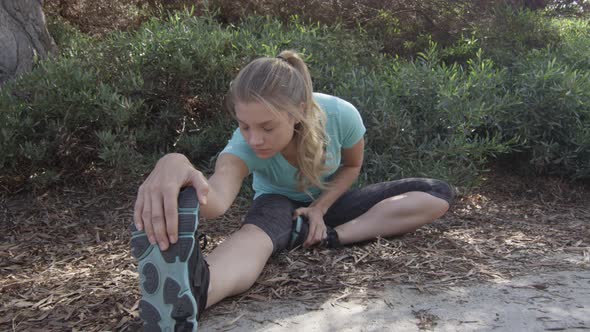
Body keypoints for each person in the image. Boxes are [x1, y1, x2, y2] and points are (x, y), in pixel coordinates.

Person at [130, 50, 454, 331]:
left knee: (435, 194)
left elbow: (352, 167)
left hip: (330, 203)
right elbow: (215, 200)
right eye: (245, 126)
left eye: (267, 127)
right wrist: (175, 163)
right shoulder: (242, 145)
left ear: (297, 111)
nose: (254, 139)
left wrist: (320, 209)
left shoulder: (341, 115)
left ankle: (328, 236)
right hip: (277, 204)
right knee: (254, 238)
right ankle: (195, 290)